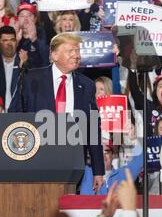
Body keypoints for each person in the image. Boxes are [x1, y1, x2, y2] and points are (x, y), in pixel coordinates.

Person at [21, 32, 104, 192]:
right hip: (37, 159)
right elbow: (16, 115)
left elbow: (93, 129)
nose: (76, 55)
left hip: (72, 161)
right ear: (54, 55)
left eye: (78, 51)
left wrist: (98, 170)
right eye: (70, 51)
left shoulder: (87, 85)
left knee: (67, 209)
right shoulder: (31, 79)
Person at [0, 26, 27, 111]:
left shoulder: (23, 59)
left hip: (20, 112)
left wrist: (24, 67)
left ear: (16, 42)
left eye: (12, 40)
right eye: (5, 40)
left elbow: (30, 90)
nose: (9, 44)